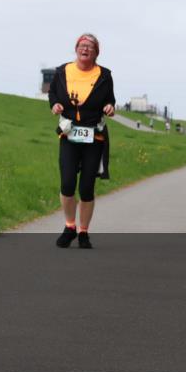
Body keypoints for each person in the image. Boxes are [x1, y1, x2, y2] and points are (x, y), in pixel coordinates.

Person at [48, 33, 115, 250]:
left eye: (90, 47)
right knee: (67, 184)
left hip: (93, 136)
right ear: (76, 48)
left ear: (96, 52)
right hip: (69, 134)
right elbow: (53, 95)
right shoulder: (62, 71)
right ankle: (69, 227)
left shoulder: (104, 75)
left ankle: (83, 231)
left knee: (86, 187)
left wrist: (109, 107)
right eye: (82, 45)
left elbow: (110, 99)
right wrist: (55, 105)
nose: (85, 49)